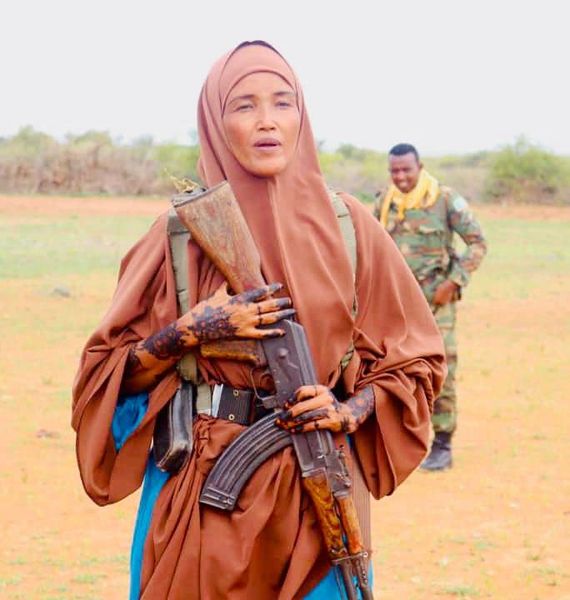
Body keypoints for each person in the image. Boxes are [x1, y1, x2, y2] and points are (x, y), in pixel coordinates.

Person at [72, 42, 445, 599]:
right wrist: (188, 334)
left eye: (283, 102)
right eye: (243, 106)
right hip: (198, 494)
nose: (267, 121)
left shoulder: (352, 228)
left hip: (318, 494)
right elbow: (104, 379)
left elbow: (414, 362)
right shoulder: (177, 236)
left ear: (303, 115)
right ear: (216, 123)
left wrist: (349, 409)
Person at [374, 143, 487, 471]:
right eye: (395, 170)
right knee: (395, 369)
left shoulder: (444, 199)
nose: (401, 176)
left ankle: (442, 443)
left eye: (406, 170)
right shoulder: (386, 202)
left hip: (437, 305)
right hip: (397, 307)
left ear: (419, 167)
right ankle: (402, 440)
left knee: (443, 369)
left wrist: (454, 281)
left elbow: (478, 243)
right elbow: (372, 247)